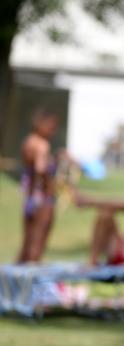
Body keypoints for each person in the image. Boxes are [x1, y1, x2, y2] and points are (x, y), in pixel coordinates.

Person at [17, 109, 59, 263]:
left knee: (26, 245)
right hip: (43, 197)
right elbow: (41, 169)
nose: (53, 131)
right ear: (40, 124)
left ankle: (12, 284)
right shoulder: (42, 145)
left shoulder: (28, 141)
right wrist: (50, 190)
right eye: (51, 127)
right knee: (37, 245)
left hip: (28, 196)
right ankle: (32, 283)